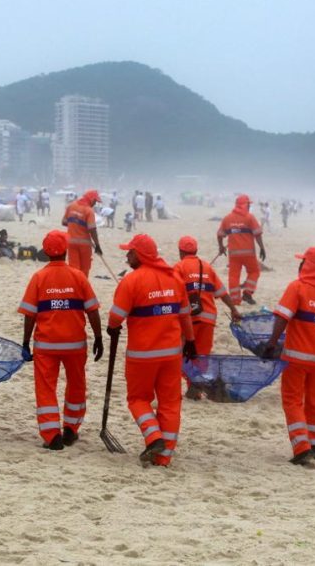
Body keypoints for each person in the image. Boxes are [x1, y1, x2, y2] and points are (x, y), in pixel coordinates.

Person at [107, 234, 196, 467]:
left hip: (142, 355)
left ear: (140, 254)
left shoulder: (132, 280)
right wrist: (191, 340)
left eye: (130, 252)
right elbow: (185, 314)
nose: (127, 255)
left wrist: (112, 328)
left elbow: (116, 316)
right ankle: (163, 456)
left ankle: (154, 437)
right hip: (171, 354)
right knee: (170, 404)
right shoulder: (174, 278)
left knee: (138, 399)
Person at [18, 230, 103, 450]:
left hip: (46, 345)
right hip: (75, 344)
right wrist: (99, 337)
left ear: (45, 252)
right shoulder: (78, 276)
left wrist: (26, 342)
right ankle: (71, 430)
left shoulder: (39, 277)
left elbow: (30, 314)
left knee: (46, 388)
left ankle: (51, 434)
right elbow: (92, 311)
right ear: (66, 250)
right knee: (76, 385)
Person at [262, 247, 315, 467]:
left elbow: (282, 318)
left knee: (292, 400)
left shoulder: (297, 287)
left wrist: (271, 344)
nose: (300, 265)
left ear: (308, 265)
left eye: (303, 262)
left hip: (296, 358)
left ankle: (301, 447)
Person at [173, 236, 242, 398]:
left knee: (180, 353)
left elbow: (173, 292)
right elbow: (222, 292)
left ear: (181, 252)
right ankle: (195, 388)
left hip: (189, 318)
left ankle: (192, 385)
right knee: (201, 356)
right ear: (196, 251)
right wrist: (233, 309)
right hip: (209, 318)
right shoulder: (207, 267)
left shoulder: (179, 267)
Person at [217, 194, 266, 305]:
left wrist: (221, 247)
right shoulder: (250, 217)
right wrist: (262, 248)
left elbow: (220, 235)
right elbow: (257, 234)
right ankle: (247, 294)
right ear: (245, 205)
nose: (249, 206)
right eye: (248, 204)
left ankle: (235, 300)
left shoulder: (227, 218)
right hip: (249, 253)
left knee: (233, 276)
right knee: (254, 271)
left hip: (233, 254)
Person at [62, 189, 103, 278]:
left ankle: (74, 287)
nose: (95, 204)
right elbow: (92, 229)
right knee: (85, 269)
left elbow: (64, 222)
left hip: (71, 242)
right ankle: (82, 288)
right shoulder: (89, 211)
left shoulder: (71, 206)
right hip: (84, 244)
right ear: (91, 199)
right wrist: (97, 245)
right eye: (95, 201)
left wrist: (75, 223)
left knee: (74, 268)